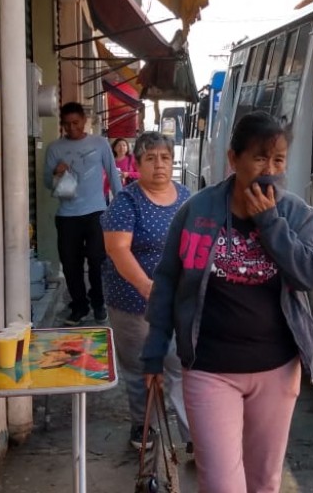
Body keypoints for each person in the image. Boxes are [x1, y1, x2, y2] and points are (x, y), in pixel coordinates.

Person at [141, 111, 313, 493]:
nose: (269, 170)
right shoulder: (197, 211)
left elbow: (310, 275)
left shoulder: (295, 214)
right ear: (233, 159)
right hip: (210, 368)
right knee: (223, 484)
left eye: (278, 160)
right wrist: (154, 353)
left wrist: (271, 223)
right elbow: (167, 280)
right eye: (259, 158)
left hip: (276, 368)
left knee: (263, 482)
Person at [100, 132, 192, 451]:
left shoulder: (187, 199)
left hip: (177, 302)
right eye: (150, 158)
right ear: (137, 164)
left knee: (181, 365)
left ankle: (192, 434)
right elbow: (118, 249)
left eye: (165, 158)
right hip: (132, 302)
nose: (159, 165)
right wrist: (146, 286)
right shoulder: (127, 201)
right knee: (140, 369)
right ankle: (144, 426)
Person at [44, 102, 122, 326]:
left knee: (97, 260)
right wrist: (55, 172)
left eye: (75, 123)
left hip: (96, 212)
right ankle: (79, 306)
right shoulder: (54, 149)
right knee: (70, 264)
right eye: (67, 124)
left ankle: (98, 303)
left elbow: (113, 175)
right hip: (67, 215)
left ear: (84, 121)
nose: (72, 128)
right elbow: (48, 183)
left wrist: (123, 205)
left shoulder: (100, 143)